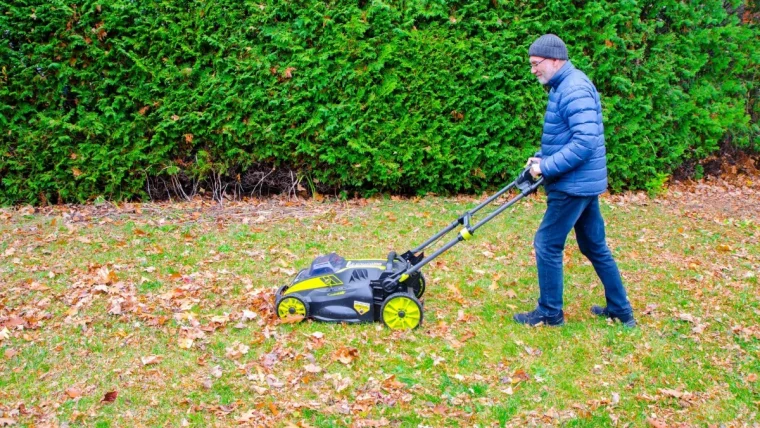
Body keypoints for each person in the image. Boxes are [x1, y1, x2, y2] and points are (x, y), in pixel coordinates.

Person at [513, 34, 636, 327]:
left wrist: (547, 167)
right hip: (581, 182)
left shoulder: (573, 88)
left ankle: (550, 313)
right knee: (594, 246)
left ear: (554, 59)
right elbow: (569, 137)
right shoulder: (564, 85)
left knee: (547, 243)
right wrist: (541, 158)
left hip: (572, 184)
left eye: (536, 64)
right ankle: (621, 310)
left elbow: (584, 143)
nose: (533, 70)